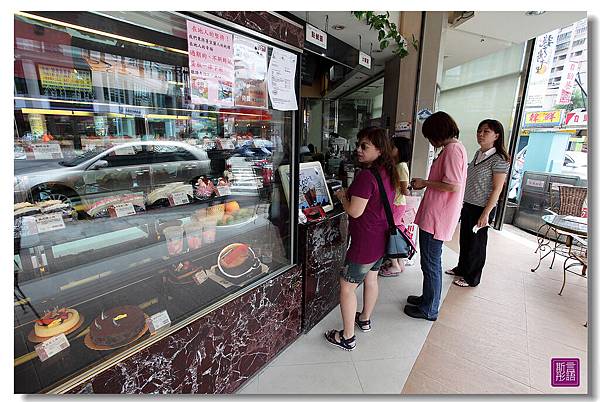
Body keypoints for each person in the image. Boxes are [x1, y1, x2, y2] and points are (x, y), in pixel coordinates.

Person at [325, 127, 400, 351]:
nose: (358, 149)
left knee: (347, 287)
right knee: (372, 279)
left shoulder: (367, 176)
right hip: (381, 238)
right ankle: (365, 319)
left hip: (365, 242)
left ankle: (347, 337)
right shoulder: (387, 171)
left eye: (364, 146)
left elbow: (355, 211)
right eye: (359, 144)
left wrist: (341, 196)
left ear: (379, 150)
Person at [405, 111, 467, 321]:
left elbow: (452, 185)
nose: (430, 141)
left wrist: (424, 183)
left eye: (430, 136)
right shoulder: (452, 149)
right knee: (429, 261)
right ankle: (427, 299)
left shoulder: (452, 150)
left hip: (437, 217)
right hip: (435, 214)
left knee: (431, 262)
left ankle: (429, 308)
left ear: (438, 132)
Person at [446, 119, 510, 287]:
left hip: (483, 207)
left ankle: (472, 277)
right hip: (468, 204)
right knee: (465, 239)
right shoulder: (478, 154)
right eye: (479, 131)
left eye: (486, 131)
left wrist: (486, 213)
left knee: (477, 244)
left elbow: (497, 189)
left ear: (496, 136)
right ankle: (462, 268)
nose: (481, 134)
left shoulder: (499, 159)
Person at [379, 136, 412, 277]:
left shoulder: (401, 166)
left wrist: (409, 187)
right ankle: (400, 263)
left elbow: (404, 190)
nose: (390, 150)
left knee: (391, 233)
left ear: (399, 150)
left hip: (396, 204)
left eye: (392, 147)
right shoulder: (398, 165)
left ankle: (394, 265)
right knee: (396, 232)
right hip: (397, 204)